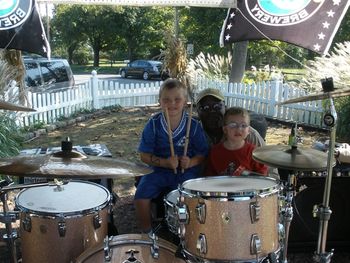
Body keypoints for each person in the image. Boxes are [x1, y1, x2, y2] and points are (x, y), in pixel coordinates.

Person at [134, 78, 209, 235]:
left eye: (177, 99)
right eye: (166, 99)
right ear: (159, 102)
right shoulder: (153, 124)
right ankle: (147, 232)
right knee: (140, 197)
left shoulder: (193, 126)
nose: (172, 103)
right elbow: (144, 155)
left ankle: (185, 232)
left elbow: (202, 154)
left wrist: (190, 162)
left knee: (184, 199)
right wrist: (164, 162)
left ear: (186, 101)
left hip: (185, 171)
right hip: (158, 170)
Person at [205, 107, 268, 176]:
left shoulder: (254, 153)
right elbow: (209, 176)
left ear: (249, 130)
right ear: (225, 129)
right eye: (233, 125)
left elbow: (262, 176)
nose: (238, 129)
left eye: (243, 125)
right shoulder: (214, 152)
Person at [196, 88, 266, 147]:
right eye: (205, 108)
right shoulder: (192, 133)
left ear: (225, 108)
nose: (212, 111)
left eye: (217, 106)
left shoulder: (247, 134)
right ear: (197, 111)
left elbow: (264, 159)